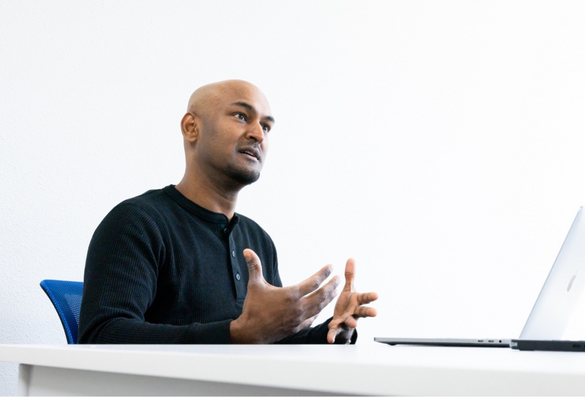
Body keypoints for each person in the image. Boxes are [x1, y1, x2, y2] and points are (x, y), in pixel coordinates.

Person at [78, 80, 378, 344]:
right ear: (191, 127)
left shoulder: (258, 240)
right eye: (241, 116)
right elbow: (102, 335)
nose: (258, 134)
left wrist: (334, 331)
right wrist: (235, 334)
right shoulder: (137, 222)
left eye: (266, 126)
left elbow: (267, 342)